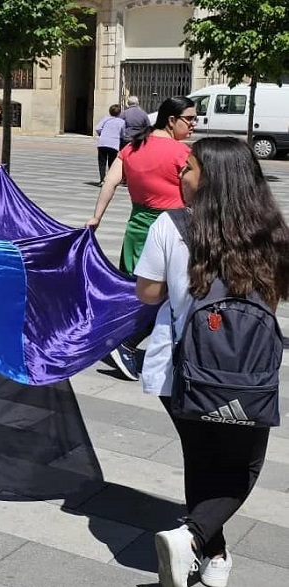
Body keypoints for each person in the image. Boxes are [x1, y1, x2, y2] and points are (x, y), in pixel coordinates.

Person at [134, 137, 289, 587]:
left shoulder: (171, 224)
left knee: (201, 458)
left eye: (189, 168)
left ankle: (200, 543)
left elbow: (147, 292)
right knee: (243, 465)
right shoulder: (272, 229)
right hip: (247, 373)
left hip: (182, 369)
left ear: (213, 178)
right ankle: (206, 545)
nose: (180, 175)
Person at [86, 96, 196, 380]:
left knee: (137, 291)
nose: (194, 125)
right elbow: (194, 194)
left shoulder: (132, 148)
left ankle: (118, 340)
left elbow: (110, 181)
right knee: (170, 294)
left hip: (137, 228)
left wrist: (97, 217)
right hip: (173, 231)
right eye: (190, 119)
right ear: (172, 120)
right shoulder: (181, 153)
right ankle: (126, 344)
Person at [94, 104, 125, 186]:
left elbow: (97, 128)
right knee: (111, 162)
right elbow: (123, 134)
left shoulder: (105, 119)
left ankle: (102, 180)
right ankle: (109, 180)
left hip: (102, 142)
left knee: (102, 162)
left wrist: (102, 134)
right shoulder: (122, 122)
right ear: (119, 113)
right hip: (114, 144)